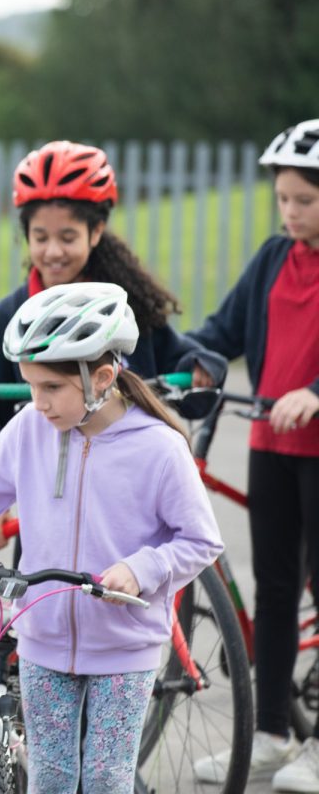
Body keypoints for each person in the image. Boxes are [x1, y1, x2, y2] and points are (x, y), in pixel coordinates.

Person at [0, 282, 223, 793]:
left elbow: (200, 539)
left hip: (124, 648)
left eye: (51, 388)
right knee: (52, 779)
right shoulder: (30, 428)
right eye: (30, 386)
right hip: (41, 641)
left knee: (107, 780)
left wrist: (141, 570)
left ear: (101, 378)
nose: (37, 403)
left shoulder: (159, 448)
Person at [0, 140, 226, 552]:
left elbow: (178, 357)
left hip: (128, 512)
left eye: (67, 237)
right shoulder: (10, 318)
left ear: (96, 232)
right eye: (40, 237)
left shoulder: (125, 310)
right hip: (47, 513)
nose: (52, 251)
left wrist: (200, 366)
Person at [189, 120, 319, 791]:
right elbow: (223, 330)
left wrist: (314, 393)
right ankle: (271, 733)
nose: (291, 212)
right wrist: (193, 360)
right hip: (270, 443)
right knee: (273, 591)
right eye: (283, 199)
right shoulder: (273, 258)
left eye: (306, 200)